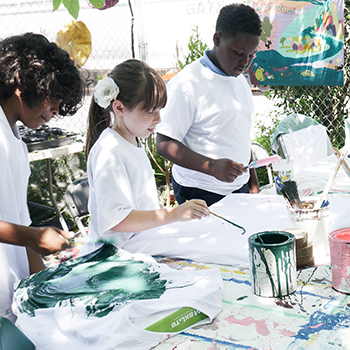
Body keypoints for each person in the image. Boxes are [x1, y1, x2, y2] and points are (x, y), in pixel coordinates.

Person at [80, 59, 209, 256]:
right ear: (119, 108)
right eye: (151, 111)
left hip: (137, 250)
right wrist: (174, 214)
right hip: (112, 261)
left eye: (159, 110)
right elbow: (116, 220)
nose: (158, 119)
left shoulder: (130, 141)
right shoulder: (110, 152)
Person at [0, 32, 84, 322]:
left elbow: (19, 220)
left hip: (12, 291)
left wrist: (45, 285)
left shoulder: (15, 139)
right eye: (53, 99)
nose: (56, 111)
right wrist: (34, 236)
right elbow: (26, 233)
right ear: (24, 84)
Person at [156, 3, 262, 207]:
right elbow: (164, 143)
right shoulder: (187, 84)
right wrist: (211, 166)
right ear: (217, 39)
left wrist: (252, 183)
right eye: (239, 53)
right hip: (201, 191)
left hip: (239, 188)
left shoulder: (239, 80)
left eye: (251, 55)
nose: (245, 62)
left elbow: (241, 135)